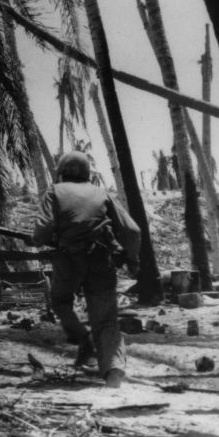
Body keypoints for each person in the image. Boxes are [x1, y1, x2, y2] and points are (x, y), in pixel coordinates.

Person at [32, 151, 140, 388]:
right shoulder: (102, 193)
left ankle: (84, 339)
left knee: (60, 302)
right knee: (107, 320)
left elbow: (41, 233)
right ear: (87, 173)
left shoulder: (54, 192)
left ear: (61, 173)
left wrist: (41, 239)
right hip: (101, 259)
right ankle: (113, 371)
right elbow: (132, 231)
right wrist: (132, 259)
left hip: (68, 260)